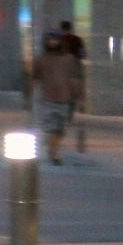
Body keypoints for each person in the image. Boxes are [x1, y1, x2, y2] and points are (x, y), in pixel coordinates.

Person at [34, 30, 84, 164]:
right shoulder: (41, 60)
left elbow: (76, 79)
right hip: (48, 99)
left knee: (60, 129)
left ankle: (52, 149)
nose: (52, 42)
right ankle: (54, 154)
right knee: (52, 128)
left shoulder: (69, 59)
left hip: (65, 99)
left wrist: (80, 98)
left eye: (55, 39)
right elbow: (35, 78)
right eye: (50, 40)